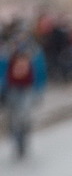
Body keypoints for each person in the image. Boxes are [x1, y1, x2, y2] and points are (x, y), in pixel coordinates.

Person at [0, 21, 47, 158]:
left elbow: (40, 71)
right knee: (13, 118)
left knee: (24, 116)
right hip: (11, 88)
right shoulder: (8, 50)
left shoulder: (34, 51)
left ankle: (24, 138)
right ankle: (17, 141)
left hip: (27, 89)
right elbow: (2, 68)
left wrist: (39, 89)